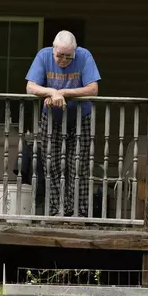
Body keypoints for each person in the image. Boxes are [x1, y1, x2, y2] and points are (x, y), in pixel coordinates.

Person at [25, 30, 101, 217]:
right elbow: (30, 86)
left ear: (75, 52)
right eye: (60, 56)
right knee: (51, 165)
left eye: (69, 56)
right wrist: (51, 91)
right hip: (51, 118)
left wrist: (62, 93)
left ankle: (78, 212)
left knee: (79, 166)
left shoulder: (84, 56)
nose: (64, 60)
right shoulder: (43, 55)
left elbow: (93, 89)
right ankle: (55, 211)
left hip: (80, 117)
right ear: (53, 49)